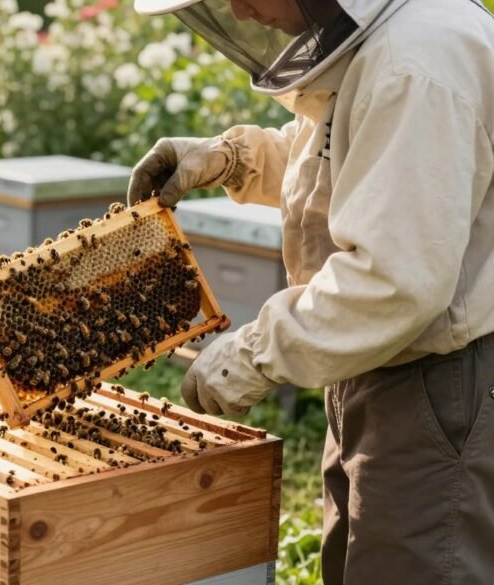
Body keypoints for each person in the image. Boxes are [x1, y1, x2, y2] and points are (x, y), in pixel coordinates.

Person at [127, 0, 494, 583]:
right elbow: (350, 167)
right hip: (375, 360)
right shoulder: (379, 44)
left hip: (435, 379)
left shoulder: (415, 64)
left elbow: (393, 282)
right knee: (357, 560)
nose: (238, 9)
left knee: (412, 566)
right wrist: (232, 159)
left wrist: (255, 353)